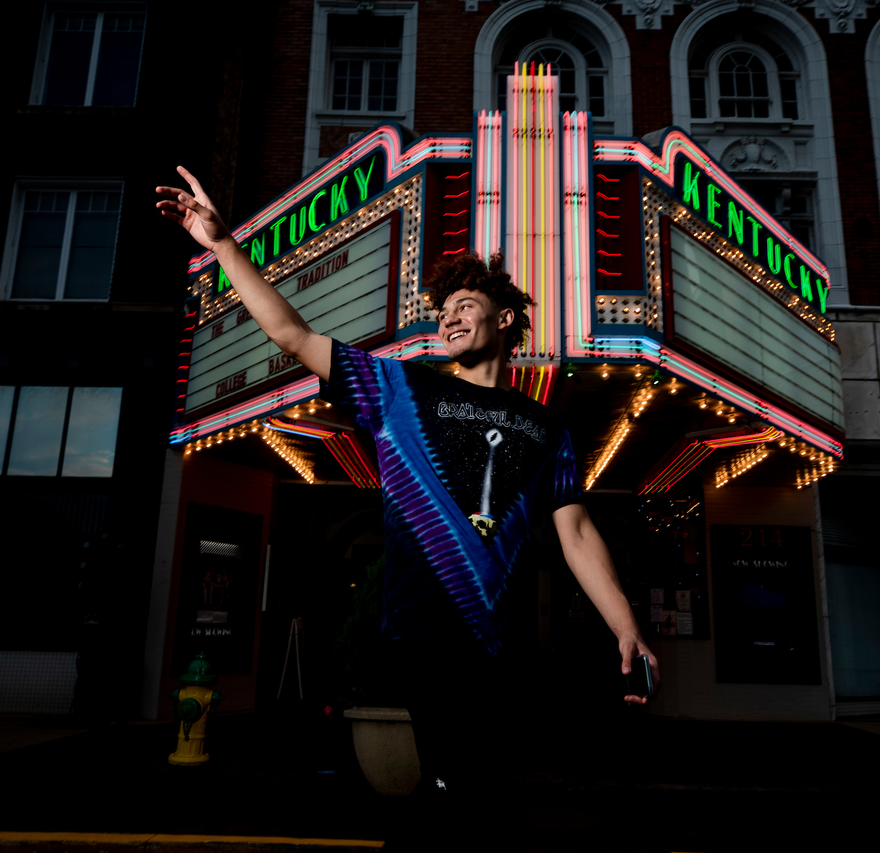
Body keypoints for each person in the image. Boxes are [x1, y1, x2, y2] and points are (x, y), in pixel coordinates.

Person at [157, 167, 660, 843]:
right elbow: (292, 334)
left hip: (497, 643)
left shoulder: (545, 427)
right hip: (423, 633)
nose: (448, 314)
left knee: (465, 796)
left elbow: (574, 532)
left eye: (465, 303)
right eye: (443, 307)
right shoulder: (397, 390)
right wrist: (222, 245)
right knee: (463, 791)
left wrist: (625, 625)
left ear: (506, 320)